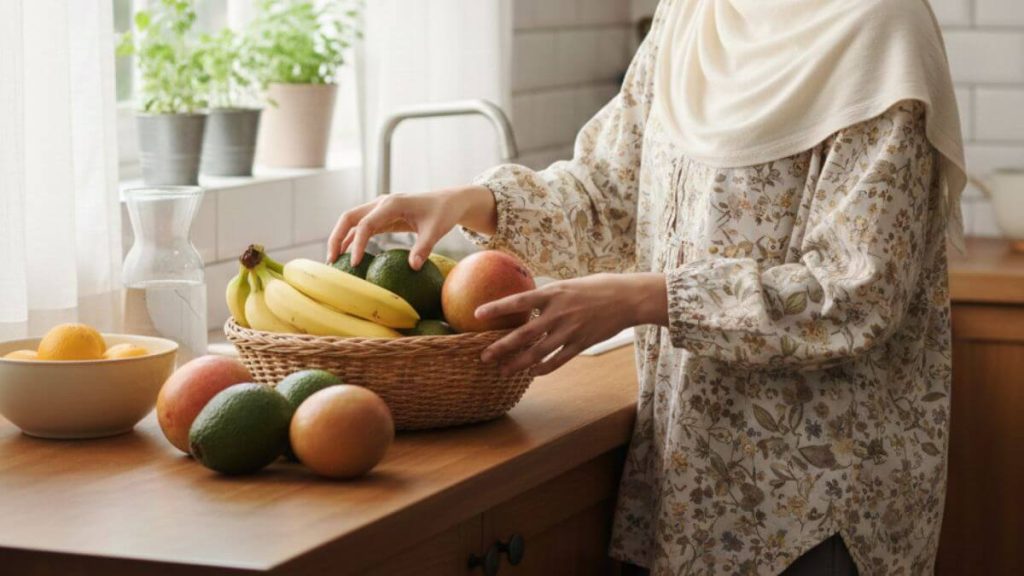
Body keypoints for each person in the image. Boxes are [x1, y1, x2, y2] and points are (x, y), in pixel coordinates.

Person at [328, 1, 965, 574]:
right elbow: (609, 194)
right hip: (690, 472)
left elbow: (852, 295)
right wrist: (475, 201)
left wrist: (645, 299)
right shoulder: (693, 16)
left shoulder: (882, 33)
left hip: (817, 501)